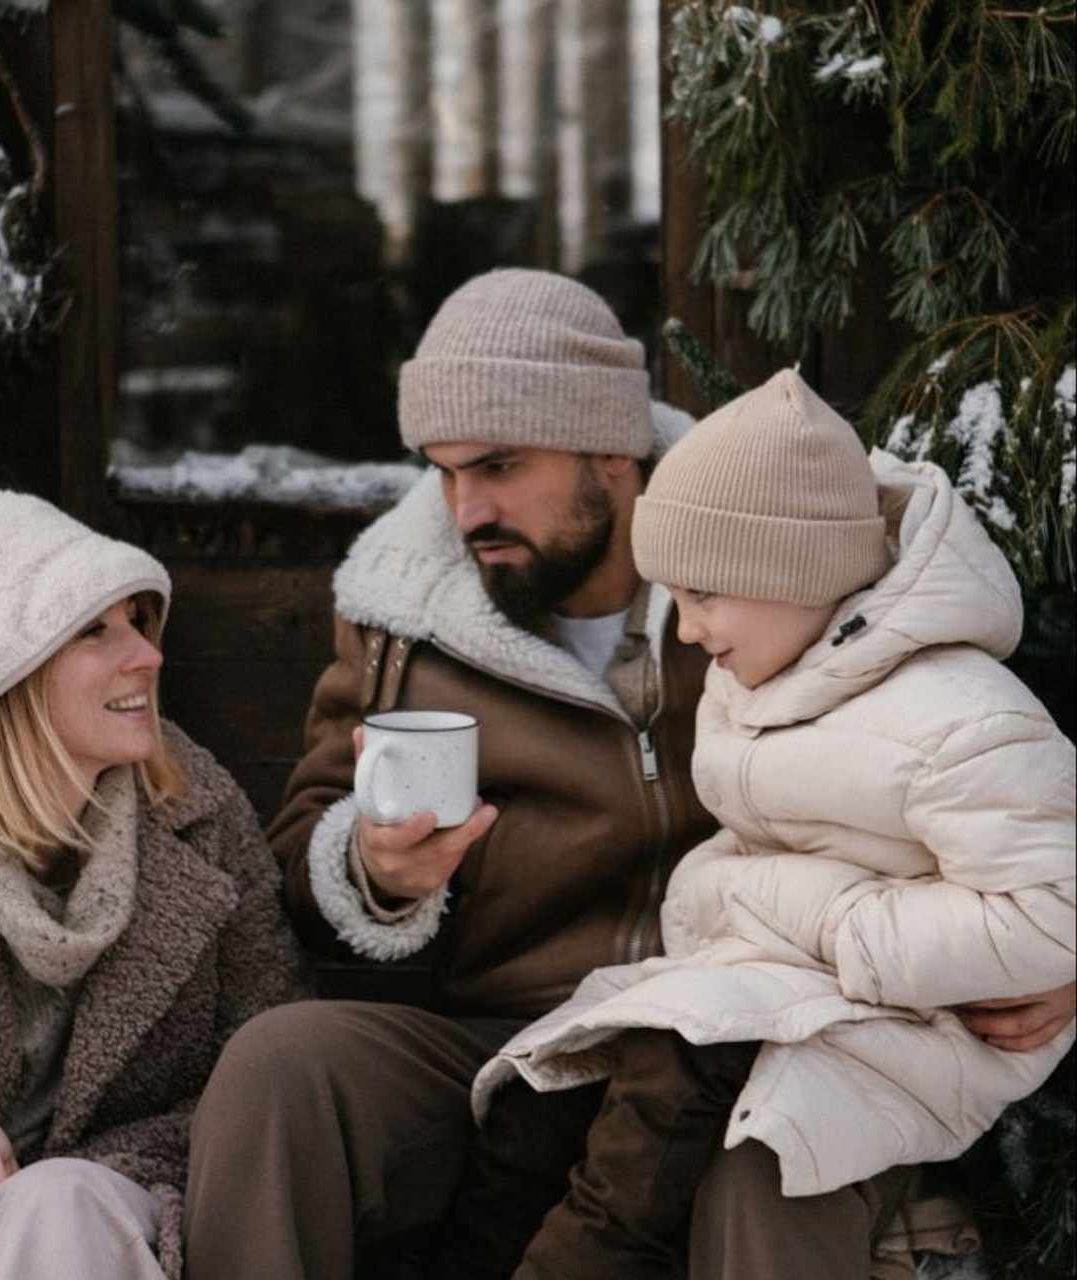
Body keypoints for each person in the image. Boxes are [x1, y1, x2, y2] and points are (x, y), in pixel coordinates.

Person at [182, 269, 1076, 1280]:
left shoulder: (756, 563)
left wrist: (1047, 959)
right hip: (511, 1032)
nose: (463, 508)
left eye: (499, 465)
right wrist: (374, 870)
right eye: (440, 472)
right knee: (280, 1066)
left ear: (608, 453)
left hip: (756, 1033)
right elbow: (303, 842)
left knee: (767, 1159)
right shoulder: (403, 618)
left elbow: (1002, 807)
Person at [449, 367, 1076, 1279]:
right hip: (780, 991)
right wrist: (751, 904)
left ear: (798, 574)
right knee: (541, 1106)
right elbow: (750, 856)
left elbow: (1054, 914)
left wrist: (822, 923)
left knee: (660, 1087)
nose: (689, 630)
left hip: (915, 1027)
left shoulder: (963, 720)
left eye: (704, 595)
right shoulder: (763, 678)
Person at [0, 491, 306, 1280]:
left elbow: (266, 1086)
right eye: (96, 630)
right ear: (0, 676)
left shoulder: (204, 835)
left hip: (107, 1224)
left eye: (138, 621)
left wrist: (96, 1173)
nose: (148, 655)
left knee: (61, 1203)